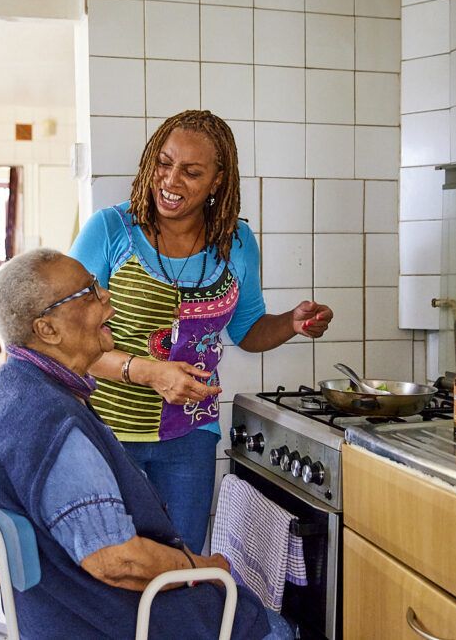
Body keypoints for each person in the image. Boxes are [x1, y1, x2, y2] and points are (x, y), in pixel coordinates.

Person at [0, 249, 293, 639]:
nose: (107, 297)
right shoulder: (54, 428)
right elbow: (118, 561)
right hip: (103, 622)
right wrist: (203, 568)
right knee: (275, 628)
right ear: (47, 329)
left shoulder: (13, 388)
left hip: (61, 607)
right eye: (88, 293)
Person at [70, 110, 334, 553]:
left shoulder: (238, 241)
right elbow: (70, 343)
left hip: (190, 437)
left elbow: (248, 329)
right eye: (164, 163)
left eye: (192, 172)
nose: (171, 181)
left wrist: (291, 323)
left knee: (180, 563)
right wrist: (150, 373)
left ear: (217, 181)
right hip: (108, 432)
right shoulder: (110, 230)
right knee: (113, 565)